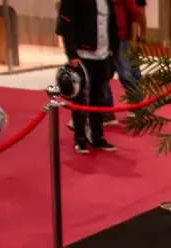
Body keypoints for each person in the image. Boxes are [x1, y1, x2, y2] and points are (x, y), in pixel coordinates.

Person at [57, 0, 119, 154]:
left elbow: (111, 23)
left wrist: (112, 49)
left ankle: (97, 137)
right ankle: (80, 138)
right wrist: (72, 54)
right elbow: (66, 24)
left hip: (103, 55)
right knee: (80, 99)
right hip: (82, 55)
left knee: (98, 98)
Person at [112, 0, 141, 93]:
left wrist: (133, 41)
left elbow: (134, 14)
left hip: (123, 38)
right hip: (109, 39)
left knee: (127, 73)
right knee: (128, 73)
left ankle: (137, 97)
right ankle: (136, 97)